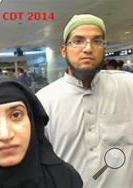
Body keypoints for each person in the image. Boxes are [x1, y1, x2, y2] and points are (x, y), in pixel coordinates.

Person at [36, 14, 133, 188]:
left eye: (97, 41)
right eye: (78, 41)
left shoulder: (128, 87)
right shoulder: (44, 101)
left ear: (104, 48)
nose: (88, 48)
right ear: (64, 50)